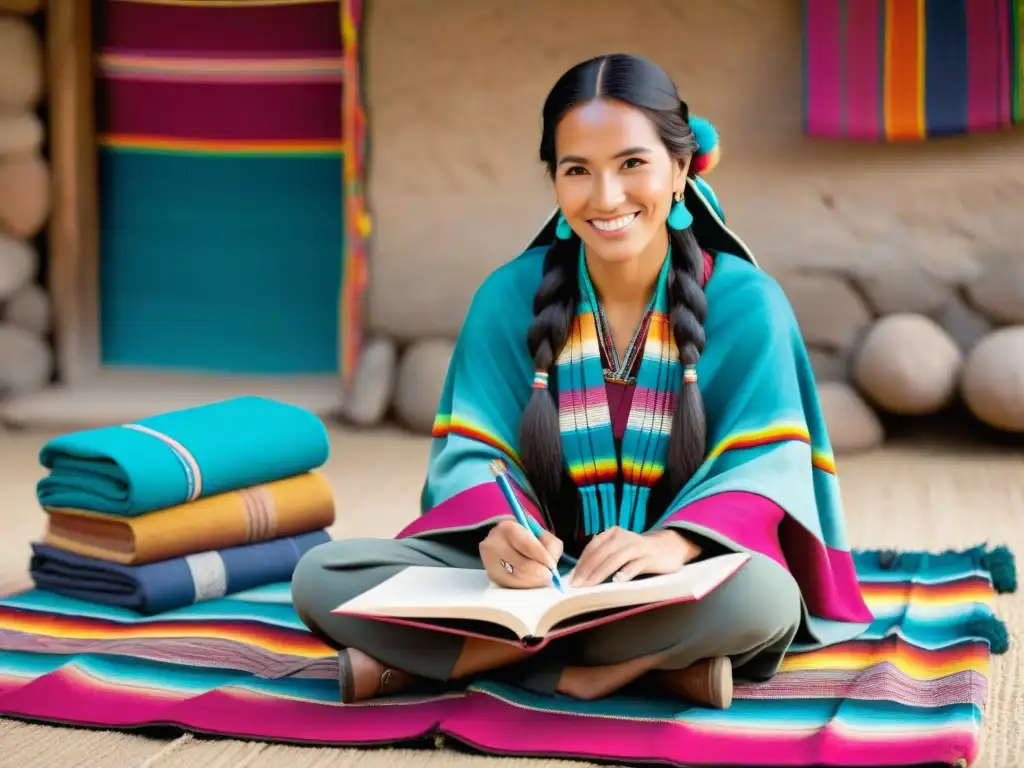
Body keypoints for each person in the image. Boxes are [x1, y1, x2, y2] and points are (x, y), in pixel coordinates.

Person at [291, 53, 874, 709]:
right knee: (323, 576)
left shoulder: (747, 302)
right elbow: (472, 452)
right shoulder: (508, 297)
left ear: (679, 169)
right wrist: (501, 533)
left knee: (763, 597)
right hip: (528, 586)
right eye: (578, 171)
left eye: (632, 164)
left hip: (676, 578)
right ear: (555, 183)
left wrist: (672, 543)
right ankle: (631, 671)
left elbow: (768, 465)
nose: (606, 197)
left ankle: (466, 663)